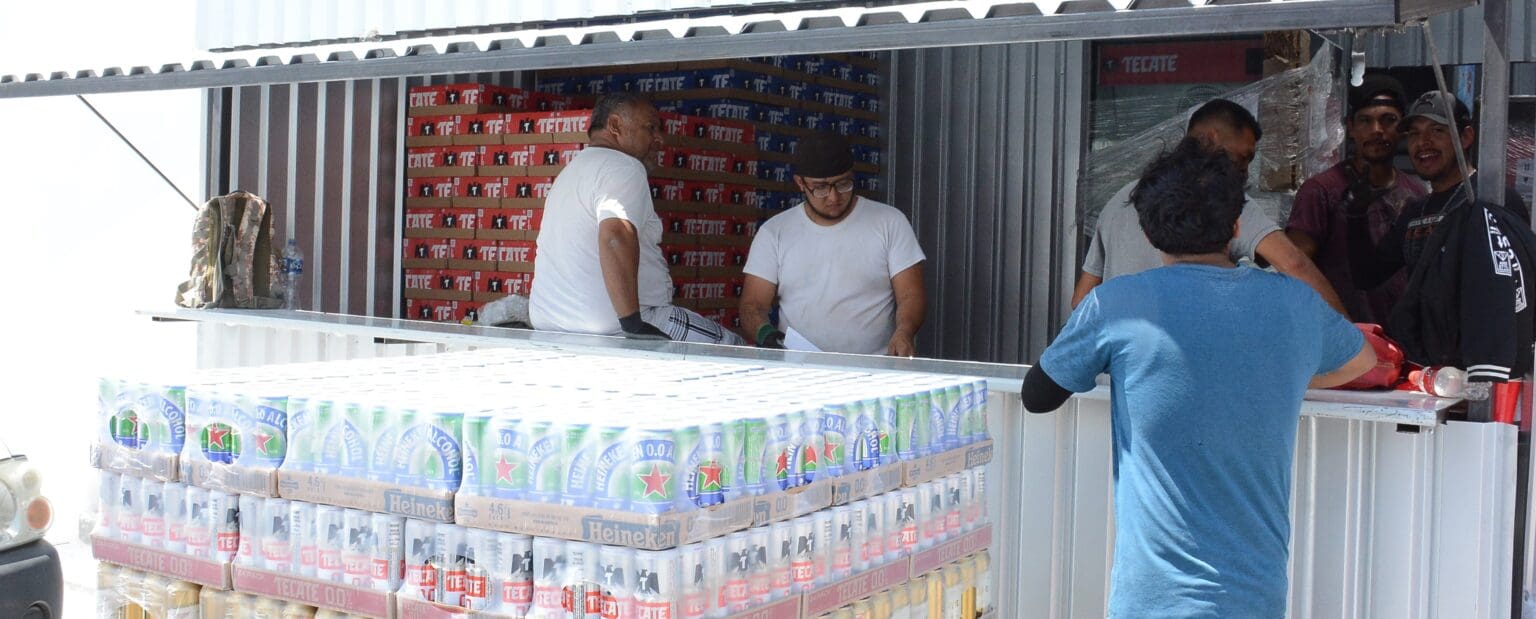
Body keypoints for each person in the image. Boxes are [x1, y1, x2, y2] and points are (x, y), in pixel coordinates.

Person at [1022, 137, 1374, 617]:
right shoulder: (1293, 303)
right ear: (1235, 226)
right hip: (1254, 596)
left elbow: (1038, 395)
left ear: (1148, 233)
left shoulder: (1117, 304)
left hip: (1150, 599)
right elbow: (1360, 362)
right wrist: (1283, 371)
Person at [1072, 99, 1347, 314]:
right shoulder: (1223, 200)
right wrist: (1350, 339)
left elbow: (1081, 300)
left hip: (1121, 372)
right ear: (1212, 137)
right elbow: (1294, 264)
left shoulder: (1123, 198)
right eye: (1243, 157)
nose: (1244, 171)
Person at [1347, 91, 1535, 390]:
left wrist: (1495, 368)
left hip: (1481, 371)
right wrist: (1355, 215)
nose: (1423, 143)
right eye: (1414, 133)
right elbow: (1368, 275)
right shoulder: (1416, 209)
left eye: (1437, 130)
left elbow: (1515, 290)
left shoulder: (1492, 199)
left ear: (1466, 136)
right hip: (1430, 370)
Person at [529, 93, 744, 344]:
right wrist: (632, 321)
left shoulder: (572, 171)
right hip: (619, 324)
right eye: (650, 127)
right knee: (734, 349)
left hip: (553, 325)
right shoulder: (623, 167)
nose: (660, 139)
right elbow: (615, 235)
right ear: (615, 126)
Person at [739, 132, 926, 355]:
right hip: (799, 369)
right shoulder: (774, 232)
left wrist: (904, 331)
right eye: (821, 188)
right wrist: (765, 333)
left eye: (843, 184)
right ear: (800, 183)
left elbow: (910, 295)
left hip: (875, 369)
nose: (834, 197)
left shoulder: (890, 222)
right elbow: (753, 305)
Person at [1286, 74, 1426, 323]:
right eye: (1365, 121)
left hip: (1401, 344)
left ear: (1403, 128)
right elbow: (1294, 270)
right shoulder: (1322, 191)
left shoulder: (1415, 193)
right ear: (1350, 127)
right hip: (1343, 343)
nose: (1376, 131)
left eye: (1388, 120)